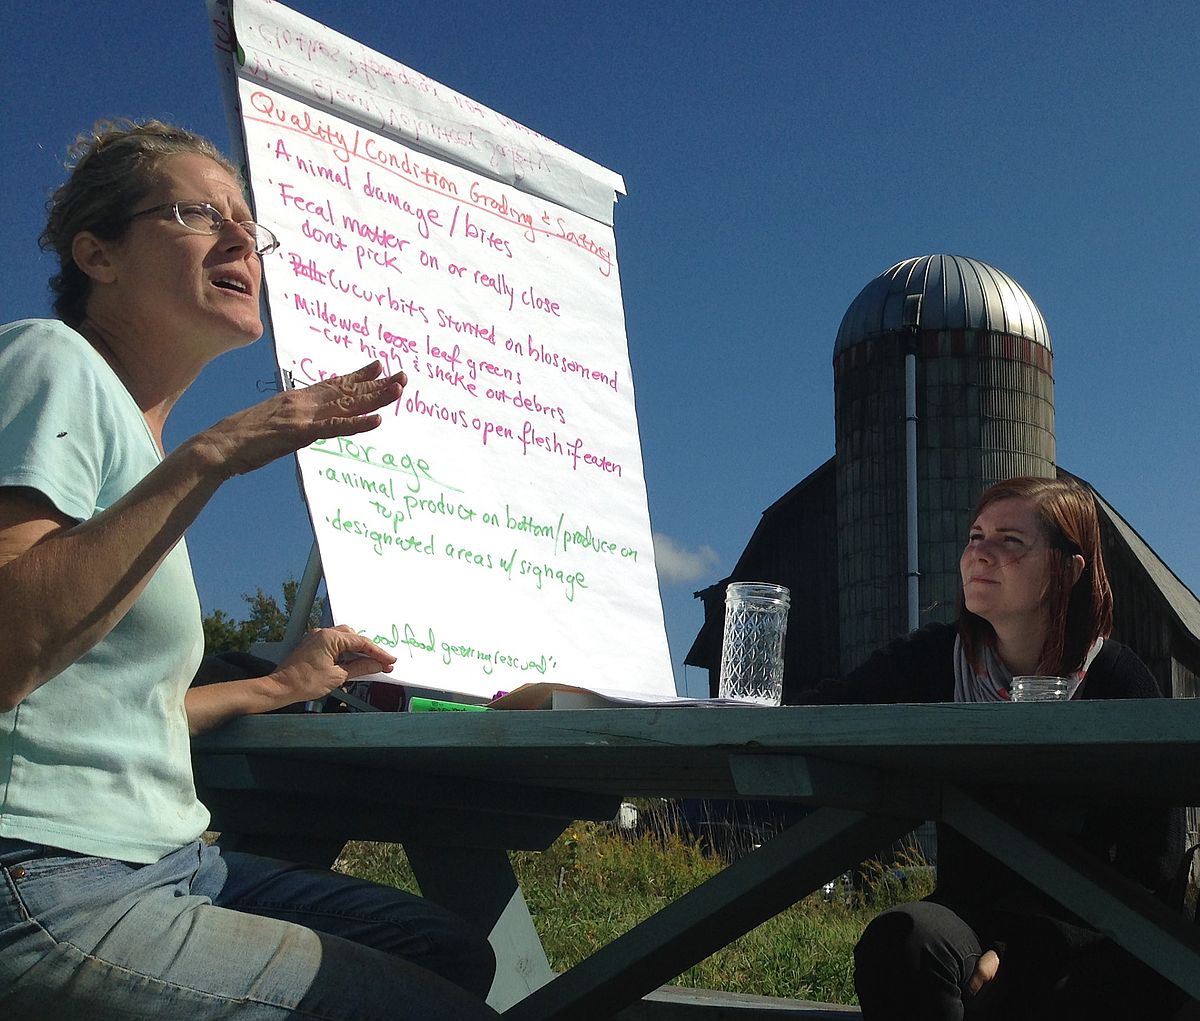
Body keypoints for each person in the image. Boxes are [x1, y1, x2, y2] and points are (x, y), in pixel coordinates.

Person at [0, 120, 498, 1020]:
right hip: (41, 872)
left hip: (166, 859)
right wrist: (218, 452)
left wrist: (275, 685)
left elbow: (104, 710)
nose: (242, 241)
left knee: (448, 947)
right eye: (198, 213)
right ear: (97, 254)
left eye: (250, 225)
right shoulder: (51, 360)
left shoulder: (139, 446)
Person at [801, 476, 1186, 1020]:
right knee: (905, 941)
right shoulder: (936, 661)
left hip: (1090, 932)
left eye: (1010, 541)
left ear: (1067, 568)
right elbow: (829, 708)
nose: (980, 552)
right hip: (971, 915)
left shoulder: (1116, 680)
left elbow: (1155, 871)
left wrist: (1033, 945)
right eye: (975, 535)